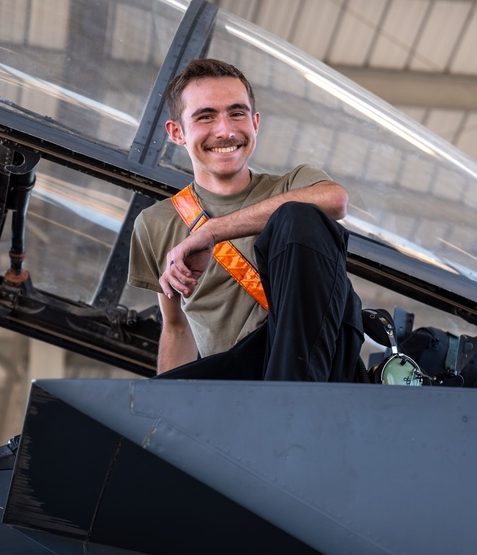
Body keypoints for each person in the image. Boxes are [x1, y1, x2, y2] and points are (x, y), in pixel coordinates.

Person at [128, 58, 365, 382]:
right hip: (239, 378)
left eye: (236, 113)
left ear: (255, 122)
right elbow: (176, 327)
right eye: (205, 116)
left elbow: (336, 200)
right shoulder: (156, 224)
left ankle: (293, 398)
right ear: (176, 132)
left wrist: (212, 231)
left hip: (322, 367)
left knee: (298, 217)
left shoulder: (294, 185)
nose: (225, 130)